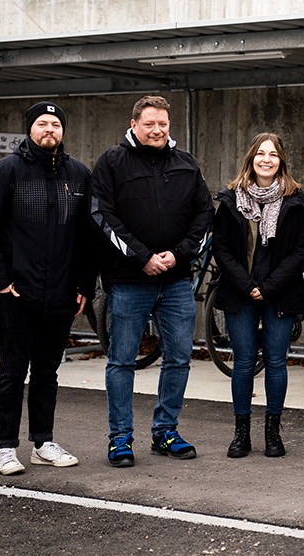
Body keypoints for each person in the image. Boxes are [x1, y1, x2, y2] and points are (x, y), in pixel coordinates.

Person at [0, 101, 97, 476]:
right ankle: (6, 448)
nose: (49, 130)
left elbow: (88, 237)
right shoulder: (6, 171)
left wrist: (83, 286)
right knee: (12, 372)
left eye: (56, 124)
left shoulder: (78, 174)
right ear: (30, 130)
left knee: (47, 372)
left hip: (60, 293)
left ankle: (43, 442)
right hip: (16, 294)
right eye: (42, 123)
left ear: (62, 131)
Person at [91, 95, 213, 467]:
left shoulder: (186, 163)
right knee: (121, 361)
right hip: (129, 280)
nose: (157, 130)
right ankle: (120, 439)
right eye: (149, 124)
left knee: (178, 359)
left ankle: (165, 432)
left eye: (162, 123)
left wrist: (179, 254)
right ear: (134, 125)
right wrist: (141, 257)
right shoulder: (112, 162)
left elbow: (205, 215)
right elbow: (101, 216)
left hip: (176, 281)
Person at [211, 133, 304, 458]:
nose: (266, 159)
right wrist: (247, 285)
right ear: (251, 159)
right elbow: (222, 249)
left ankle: (273, 432)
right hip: (240, 293)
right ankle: (241, 434)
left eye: (273, 154)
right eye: (260, 154)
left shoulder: (296, 201)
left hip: (279, 294)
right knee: (243, 363)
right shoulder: (231, 200)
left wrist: (267, 287)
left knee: (275, 362)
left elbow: (300, 252)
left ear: (281, 160)